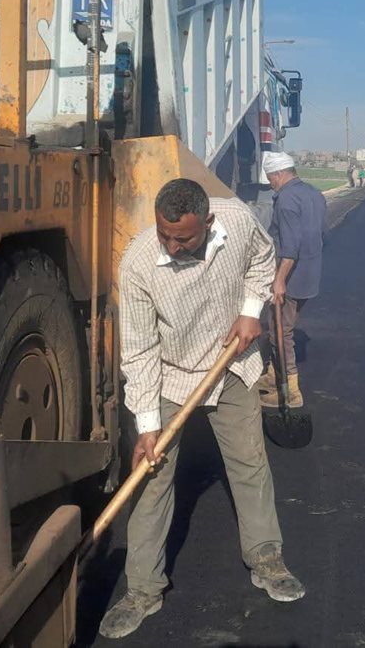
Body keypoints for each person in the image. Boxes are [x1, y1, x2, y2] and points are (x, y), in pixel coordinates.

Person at [99, 179, 305, 639]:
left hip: (231, 362)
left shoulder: (237, 219)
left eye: (184, 238)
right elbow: (138, 350)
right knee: (151, 479)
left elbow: (262, 259)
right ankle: (143, 590)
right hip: (171, 372)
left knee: (249, 464)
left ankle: (266, 558)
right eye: (164, 235)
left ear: (207, 223)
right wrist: (148, 427)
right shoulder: (137, 265)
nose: (172, 245)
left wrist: (251, 310)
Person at [258, 152, 327, 408]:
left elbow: (290, 248)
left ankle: (291, 391)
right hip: (310, 275)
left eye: (270, 179)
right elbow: (321, 233)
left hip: (291, 277)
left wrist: (280, 280)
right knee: (282, 326)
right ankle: (272, 375)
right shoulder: (314, 194)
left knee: (280, 333)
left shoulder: (286, 199)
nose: (271, 184)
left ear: (278, 174)